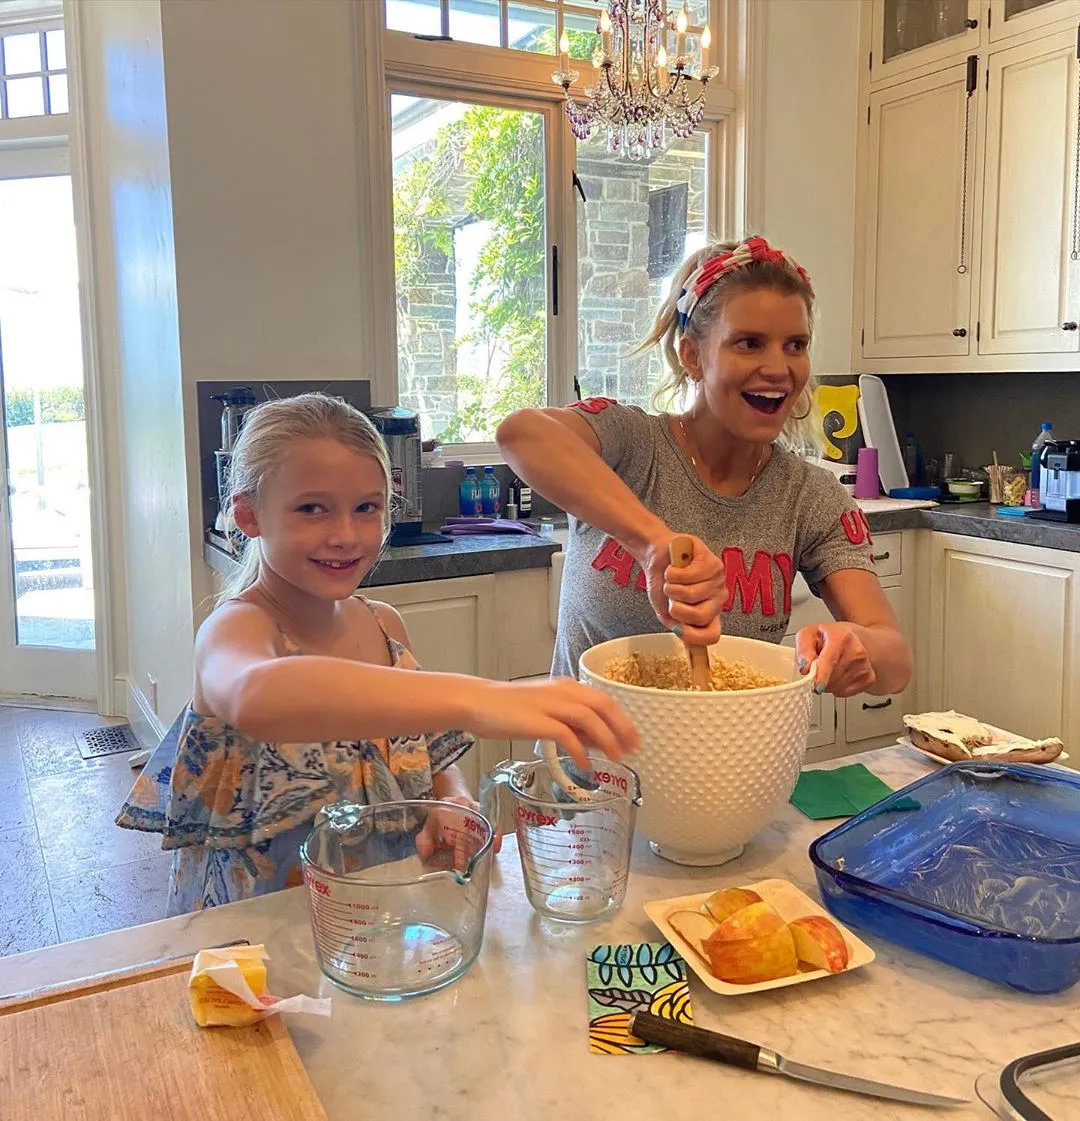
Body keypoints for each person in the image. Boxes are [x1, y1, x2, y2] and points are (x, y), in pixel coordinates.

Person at [117, 393, 636, 914]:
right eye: (312, 509)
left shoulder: (385, 625)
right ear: (249, 515)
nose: (345, 535)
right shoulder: (237, 629)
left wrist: (450, 799)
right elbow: (254, 695)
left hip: (381, 917)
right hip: (260, 931)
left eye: (366, 508)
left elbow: (429, 755)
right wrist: (481, 699)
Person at [496, 236, 913, 698]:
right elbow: (521, 433)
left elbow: (896, 663)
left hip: (726, 745)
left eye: (795, 345)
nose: (779, 368)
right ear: (692, 356)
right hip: (585, 744)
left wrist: (856, 645)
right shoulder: (631, 444)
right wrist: (653, 545)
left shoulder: (809, 496)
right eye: (749, 343)